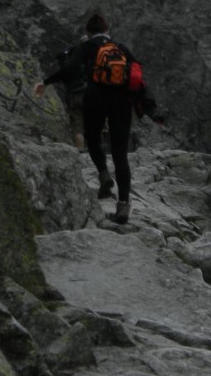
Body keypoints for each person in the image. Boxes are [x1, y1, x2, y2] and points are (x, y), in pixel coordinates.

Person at [34, 12, 136, 223]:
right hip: (121, 103)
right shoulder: (121, 48)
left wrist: (46, 81)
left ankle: (104, 174)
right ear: (107, 30)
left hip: (95, 97)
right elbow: (136, 73)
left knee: (93, 138)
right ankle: (124, 205)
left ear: (88, 33)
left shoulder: (86, 46)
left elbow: (70, 68)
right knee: (120, 155)